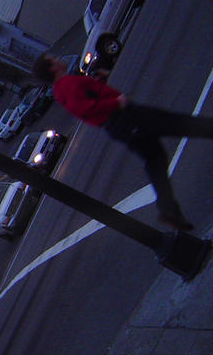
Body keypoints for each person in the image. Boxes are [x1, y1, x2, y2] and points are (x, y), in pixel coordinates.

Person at [32, 53, 213, 231]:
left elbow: (90, 99)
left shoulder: (64, 86)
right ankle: (168, 210)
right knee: (179, 125)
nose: (58, 59)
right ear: (52, 68)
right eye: (54, 59)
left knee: (156, 159)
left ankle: (169, 210)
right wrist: (116, 103)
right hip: (125, 118)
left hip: (121, 122)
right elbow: (86, 108)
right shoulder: (65, 85)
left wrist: (99, 81)